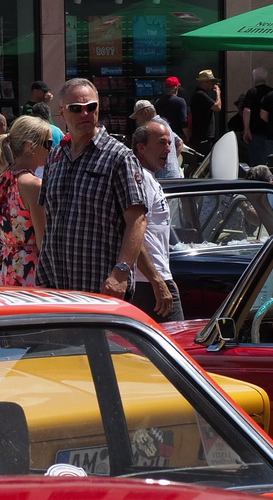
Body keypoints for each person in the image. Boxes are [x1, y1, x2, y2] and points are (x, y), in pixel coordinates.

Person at [32, 79, 148, 297]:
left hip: (102, 287)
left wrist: (120, 273)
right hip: (57, 286)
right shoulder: (55, 157)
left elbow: (137, 220)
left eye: (91, 107)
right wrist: (43, 275)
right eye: (76, 108)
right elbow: (50, 218)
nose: (85, 114)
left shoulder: (119, 157)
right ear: (62, 112)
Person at [0, 115, 50, 287]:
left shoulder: (2, 180)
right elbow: (43, 242)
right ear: (31, 147)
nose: (51, 149)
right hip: (29, 271)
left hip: (4, 268)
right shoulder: (33, 185)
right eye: (48, 144)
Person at [129, 120, 181, 321]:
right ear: (141, 148)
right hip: (148, 282)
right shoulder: (140, 179)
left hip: (156, 278)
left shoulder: (150, 178)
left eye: (169, 143)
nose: (168, 149)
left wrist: (165, 276)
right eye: (161, 142)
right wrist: (157, 280)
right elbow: (133, 233)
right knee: (176, 346)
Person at [237, 68, 273, 163]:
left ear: (253, 78)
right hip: (270, 132)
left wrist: (246, 130)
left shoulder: (251, 92)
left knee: (256, 160)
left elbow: (247, 110)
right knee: (270, 160)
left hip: (255, 132)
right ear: (266, 78)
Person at [188, 70, 221, 152]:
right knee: (204, 160)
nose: (213, 84)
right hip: (203, 135)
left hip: (205, 135)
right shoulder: (200, 94)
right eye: (211, 82)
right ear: (204, 82)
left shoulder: (202, 94)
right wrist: (218, 93)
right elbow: (217, 107)